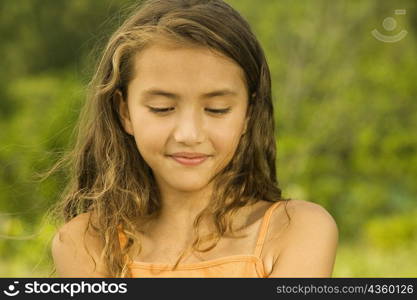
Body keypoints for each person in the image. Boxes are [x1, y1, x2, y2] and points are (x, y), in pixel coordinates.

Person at [49, 0, 338, 278]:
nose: (189, 134)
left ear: (248, 115)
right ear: (124, 112)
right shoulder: (87, 243)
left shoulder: (297, 229)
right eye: (162, 109)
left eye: (217, 109)